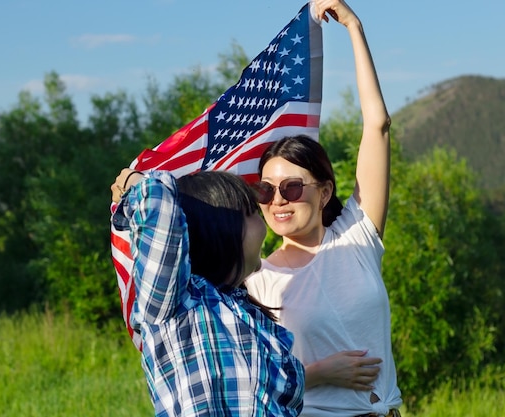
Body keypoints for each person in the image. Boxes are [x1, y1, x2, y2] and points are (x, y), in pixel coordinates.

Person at [244, 0, 402, 416]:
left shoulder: (358, 236)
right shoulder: (256, 279)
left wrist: (353, 26)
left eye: (293, 187)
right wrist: (318, 373)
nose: (278, 199)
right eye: (266, 190)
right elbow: (250, 379)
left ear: (325, 192)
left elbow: (378, 126)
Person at [110, 169, 305, 416]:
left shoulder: (249, 315)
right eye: (252, 212)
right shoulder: (177, 304)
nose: (263, 220)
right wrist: (134, 180)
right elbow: (158, 206)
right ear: (222, 229)